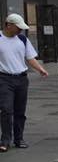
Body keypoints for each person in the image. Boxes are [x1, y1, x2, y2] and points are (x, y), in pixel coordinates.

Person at [0, 14, 48, 152]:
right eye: (18, 27)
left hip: (21, 79)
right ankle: (5, 140)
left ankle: (19, 138)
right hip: (4, 79)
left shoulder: (22, 39)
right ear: (8, 25)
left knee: (20, 110)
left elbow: (30, 57)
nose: (20, 30)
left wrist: (40, 69)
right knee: (6, 110)